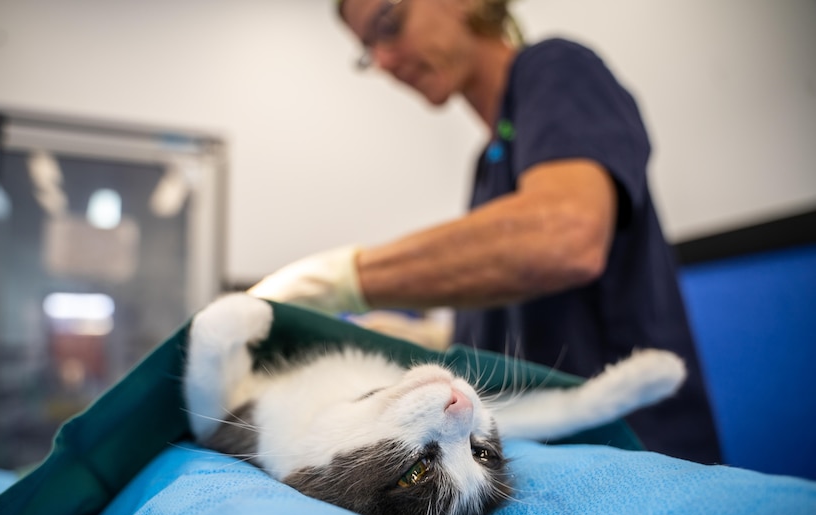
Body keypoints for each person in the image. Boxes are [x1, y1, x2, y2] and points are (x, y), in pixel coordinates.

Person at [250, 0, 722, 464]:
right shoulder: (488, 163)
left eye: (389, 24)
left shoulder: (559, 68)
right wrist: (433, 338)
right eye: (367, 49)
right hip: (552, 455)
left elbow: (564, 236)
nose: (385, 61)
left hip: (639, 451)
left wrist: (340, 280)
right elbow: (517, 306)